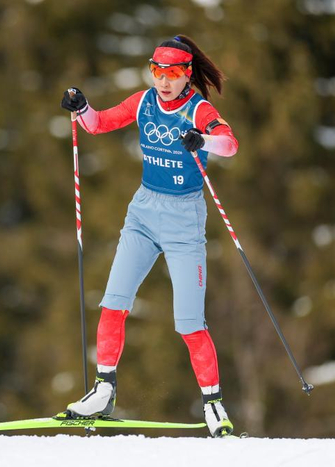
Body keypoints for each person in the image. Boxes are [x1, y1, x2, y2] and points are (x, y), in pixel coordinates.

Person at [58, 34, 239, 438]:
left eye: (172, 73)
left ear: (187, 74)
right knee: (113, 303)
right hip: (143, 212)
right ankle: (103, 390)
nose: (163, 80)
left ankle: (214, 405)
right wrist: (81, 107)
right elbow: (98, 123)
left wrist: (203, 139)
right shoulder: (143, 102)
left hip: (184, 220)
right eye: (157, 71)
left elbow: (230, 144)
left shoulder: (198, 108)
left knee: (189, 323)